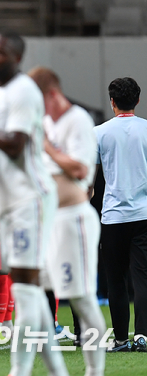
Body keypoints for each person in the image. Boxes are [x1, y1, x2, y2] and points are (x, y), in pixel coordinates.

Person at [0, 32, 67, 376]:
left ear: (16, 58)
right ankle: (54, 368)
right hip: (8, 199)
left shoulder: (23, 92)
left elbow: (16, 144)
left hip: (30, 198)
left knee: (24, 282)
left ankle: (21, 368)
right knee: (26, 284)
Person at [29, 66, 106, 374]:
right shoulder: (43, 122)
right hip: (48, 221)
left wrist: (47, 147)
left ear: (52, 93)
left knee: (82, 298)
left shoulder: (78, 121)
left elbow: (80, 171)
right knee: (36, 294)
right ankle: (56, 369)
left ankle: (94, 370)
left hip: (74, 220)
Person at [94, 76, 147, 352]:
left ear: (112, 102)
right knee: (142, 277)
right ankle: (143, 336)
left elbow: (89, 181)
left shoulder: (99, 133)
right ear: (137, 100)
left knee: (116, 280)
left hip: (113, 216)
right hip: (143, 215)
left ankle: (121, 339)